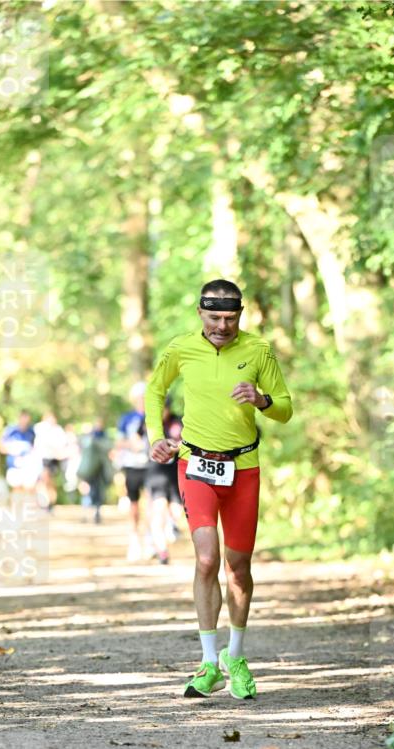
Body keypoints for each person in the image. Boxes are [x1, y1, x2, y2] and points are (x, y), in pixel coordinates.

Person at [145, 278, 292, 700]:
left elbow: (285, 407)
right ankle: (209, 663)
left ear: (240, 316)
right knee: (206, 558)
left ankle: (236, 656)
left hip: (243, 467)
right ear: (200, 314)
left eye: (230, 319)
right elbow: (156, 390)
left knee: (238, 569)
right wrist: (156, 436)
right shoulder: (181, 348)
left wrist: (262, 400)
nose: (222, 327)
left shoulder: (258, 350)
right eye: (214, 318)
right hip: (196, 465)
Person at [144, 396, 183, 565]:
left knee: (176, 512)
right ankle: (162, 551)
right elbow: (136, 440)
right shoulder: (149, 423)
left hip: (175, 474)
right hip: (156, 473)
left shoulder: (178, 422)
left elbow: (188, 440)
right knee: (158, 511)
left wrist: (177, 446)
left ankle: (171, 526)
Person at [115, 382, 151, 561]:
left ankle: (151, 539)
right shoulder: (126, 418)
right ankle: (135, 539)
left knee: (152, 503)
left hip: (151, 466)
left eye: (145, 397)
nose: (142, 401)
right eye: (139, 398)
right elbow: (118, 443)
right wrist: (133, 445)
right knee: (134, 505)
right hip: (132, 466)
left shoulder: (155, 414)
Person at [77, 419, 113, 524]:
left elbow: (108, 447)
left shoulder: (103, 437)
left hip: (99, 470)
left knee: (98, 493)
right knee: (87, 492)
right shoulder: (88, 438)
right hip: (88, 470)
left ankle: (96, 513)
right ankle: (86, 513)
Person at [33, 412, 68, 510]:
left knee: (50, 482)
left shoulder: (58, 430)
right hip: (42, 458)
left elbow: (62, 444)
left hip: (53, 459)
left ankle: (50, 503)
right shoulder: (39, 428)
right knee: (42, 481)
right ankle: (43, 503)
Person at [0, 411, 40, 494]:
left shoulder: (32, 431)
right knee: (16, 488)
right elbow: (1, 448)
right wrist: (13, 451)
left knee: (29, 488)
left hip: (28, 466)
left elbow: (35, 448)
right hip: (13, 466)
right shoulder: (10, 431)